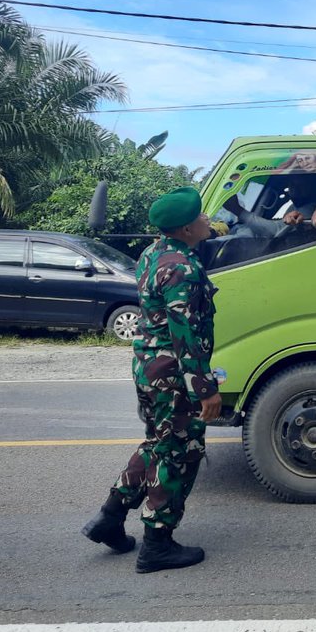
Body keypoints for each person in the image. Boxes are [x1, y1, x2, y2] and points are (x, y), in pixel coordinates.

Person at [82, 187, 222, 573]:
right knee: (178, 454)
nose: (207, 219)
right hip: (175, 374)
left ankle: (110, 517)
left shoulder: (154, 253)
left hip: (149, 368)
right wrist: (205, 388)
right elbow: (184, 332)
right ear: (187, 227)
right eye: (202, 216)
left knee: (158, 443)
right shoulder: (183, 268)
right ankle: (157, 542)